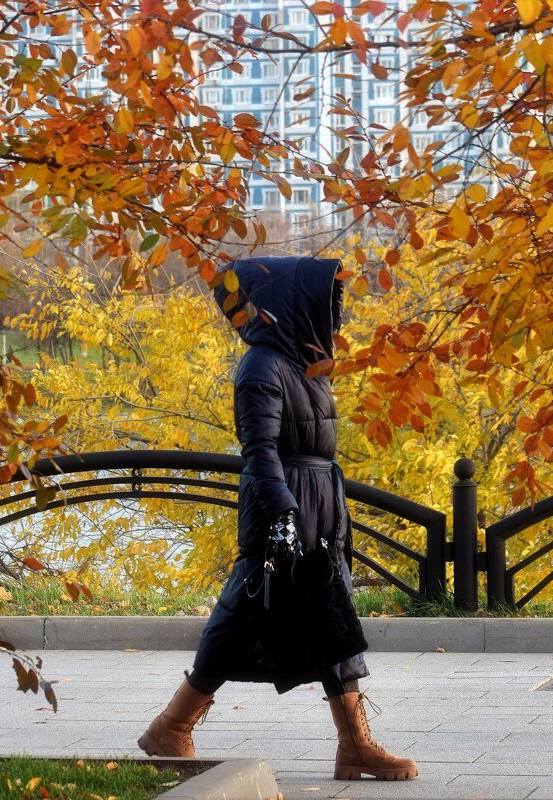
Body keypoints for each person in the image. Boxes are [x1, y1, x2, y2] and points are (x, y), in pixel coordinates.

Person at [138, 256, 419, 782]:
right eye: (324, 301)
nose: (332, 314)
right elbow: (259, 451)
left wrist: (320, 512)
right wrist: (284, 514)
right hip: (282, 509)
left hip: (317, 506)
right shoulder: (263, 366)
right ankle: (171, 726)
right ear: (294, 303)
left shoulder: (302, 362)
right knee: (242, 616)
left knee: (331, 619)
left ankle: (353, 745)